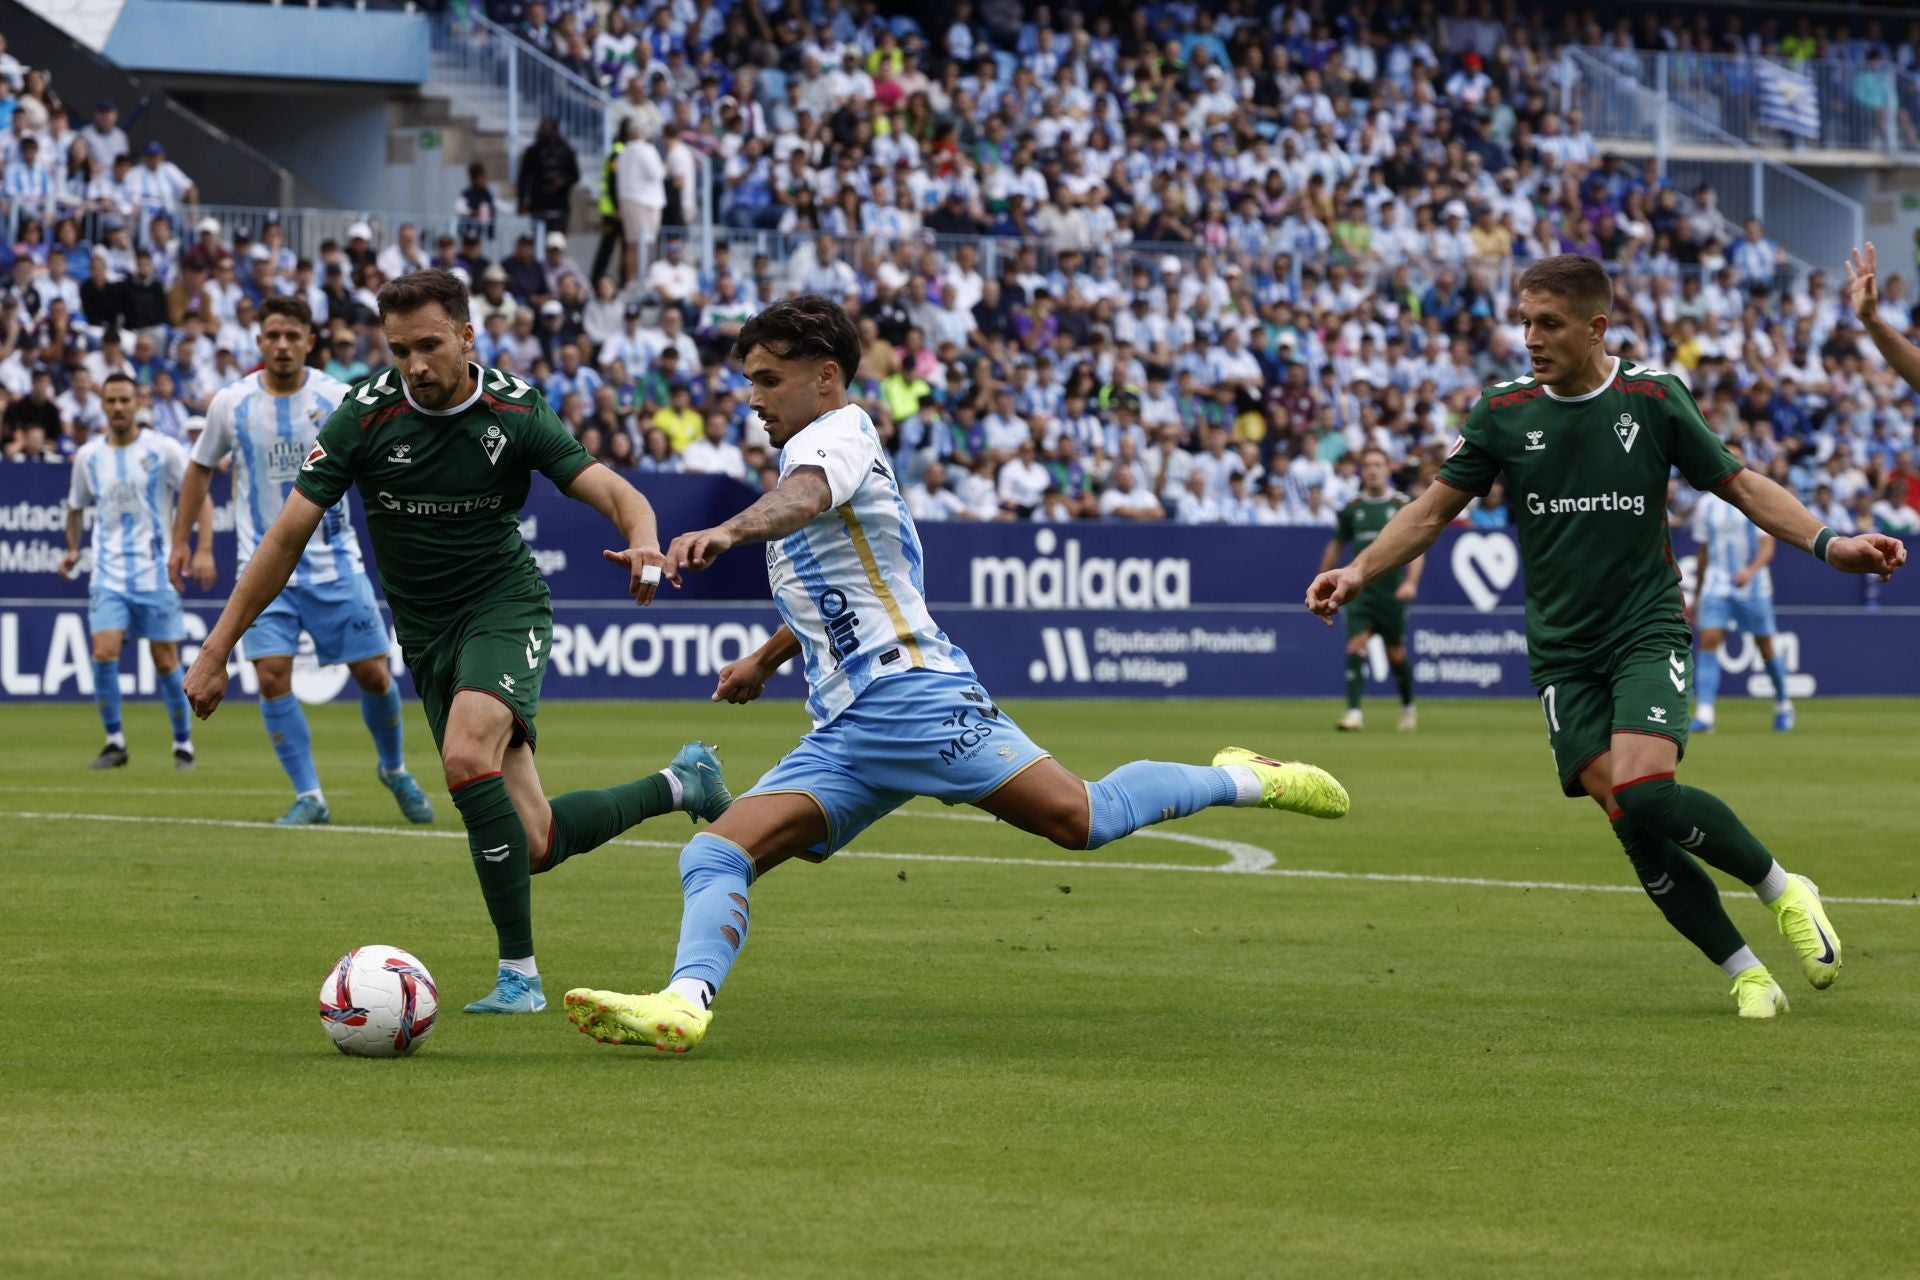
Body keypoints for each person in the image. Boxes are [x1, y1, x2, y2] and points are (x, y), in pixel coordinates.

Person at [562, 296, 1349, 1055]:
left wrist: (728, 531)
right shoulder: (809, 452)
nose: (755, 399)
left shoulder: (837, 435)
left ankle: (1246, 778)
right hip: (848, 731)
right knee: (716, 854)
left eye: (769, 380)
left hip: (916, 700)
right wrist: (764, 661)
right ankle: (683, 1004)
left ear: (826, 376)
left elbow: (801, 501)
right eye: (750, 382)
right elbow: (839, 590)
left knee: (1084, 818)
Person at [1307, 255, 1907, 1019]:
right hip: (1561, 650)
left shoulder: (1652, 398)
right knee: (1631, 821)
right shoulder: (1502, 411)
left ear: (1596, 328)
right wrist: (1358, 570)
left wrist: (1831, 543)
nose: (1530, 337)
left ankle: (1784, 889)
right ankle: (1746, 972)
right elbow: (1430, 511)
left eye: (1548, 323)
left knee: (1646, 787)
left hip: (1644, 625)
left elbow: (1742, 485)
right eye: (1524, 321)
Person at [182, 270, 732, 1015]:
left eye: (430, 346)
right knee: (533, 841)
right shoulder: (361, 418)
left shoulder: (514, 409)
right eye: (399, 348)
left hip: (504, 608)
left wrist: (644, 539)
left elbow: (613, 490)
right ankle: (681, 784)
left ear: (467, 337)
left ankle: (520, 976)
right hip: (427, 635)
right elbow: (285, 537)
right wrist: (217, 648)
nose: (415, 365)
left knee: (466, 756)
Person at [168, 296, 436, 827]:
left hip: (335, 562)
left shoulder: (337, 397)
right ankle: (310, 794)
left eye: (293, 335)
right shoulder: (231, 402)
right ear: (259, 341)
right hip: (263, 569)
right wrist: (190, 542)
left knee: (374, 674)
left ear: (310, 342)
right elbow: (200, 469)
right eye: (273, 336)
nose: (283, 345)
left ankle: (394, 767)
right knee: (270, 677)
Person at [60, 372, 215, 770]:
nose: (116, 407)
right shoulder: (89, 456)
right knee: (102, 651)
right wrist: (73, 548)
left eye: (123, 400)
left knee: (165, 659)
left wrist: (204, 548)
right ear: (102, 405)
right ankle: (115, 742)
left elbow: (198, 494)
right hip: (107, 575)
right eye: (110, 401)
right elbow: (75, 507)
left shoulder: (163, 449)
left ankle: (183, 744)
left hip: (155, 573)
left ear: (137, 403)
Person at [1689, 443, 1792, 735]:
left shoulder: (1754, 498)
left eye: (1736, 457)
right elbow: (1703, 552)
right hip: (1717, 585)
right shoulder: (1705, 505)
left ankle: (1783, 703)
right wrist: (1696, 595)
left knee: (1765, 646)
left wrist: (1750, 571)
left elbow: (1767, 546)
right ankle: (1706, 713)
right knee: (1709, 640)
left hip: (1753, 585)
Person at [1320, 446, 1422, 733]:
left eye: (1378, 464)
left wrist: (1410, 582)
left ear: (1388, 468)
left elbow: (1418, 547)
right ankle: (1353, 713)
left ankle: (1408, 707)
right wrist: (1323, 579)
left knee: (1397, 656)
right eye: (1368, 465)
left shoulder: (1402, 505)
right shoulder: (1353, 509)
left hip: (1390, 593)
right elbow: (1337, 544)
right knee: (1355, 646)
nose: (1373, 470)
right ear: (1362, 471)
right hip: (1359, 592)